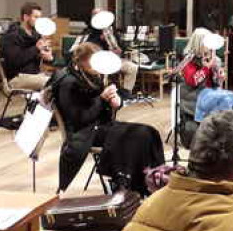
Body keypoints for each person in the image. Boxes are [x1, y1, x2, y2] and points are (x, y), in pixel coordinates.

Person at [50, 42, 164, 195]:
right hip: (84, 133)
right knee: (138, 135)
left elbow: (101, 110)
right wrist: (102, 99)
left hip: (99, 126)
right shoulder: (68, 83)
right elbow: (80, 119)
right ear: (82, 61)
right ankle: (126, 183)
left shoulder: (91, 75)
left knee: (149, 132)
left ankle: (154, 181)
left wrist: (114, 103)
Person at [0, 1, 53, 91]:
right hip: (18, 77)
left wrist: (49, 57)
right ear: (25, 17)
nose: (39, 21)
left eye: (40, 17)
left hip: (35, 75)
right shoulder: (12, 36)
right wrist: (36, 48)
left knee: (62, 79)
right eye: (36, 17)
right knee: (53, 83)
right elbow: (15, 61)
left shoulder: (36, 34)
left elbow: (41, 58)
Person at [84, 8, 138, 94]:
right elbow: (89, 49)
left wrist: (121, 50)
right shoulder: (90, 32)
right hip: (101, 62)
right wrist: (100, 40)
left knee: (132, 67)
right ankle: (103, 93)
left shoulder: (111, 30)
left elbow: (121, 45)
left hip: (117, 60)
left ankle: (125, 93)